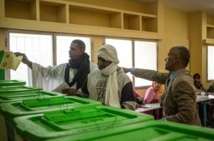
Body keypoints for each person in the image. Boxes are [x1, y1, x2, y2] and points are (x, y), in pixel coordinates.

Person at [123, 46, 201, 126]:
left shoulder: (181, 82)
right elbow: (154, 75)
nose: (165, 59)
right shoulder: (175, 76)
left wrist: (161, 122)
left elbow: (186, 115)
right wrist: (130, 70)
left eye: (168, 56)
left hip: (187, 131)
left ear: (175, 59)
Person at [70, 44, 136, 110]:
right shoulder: (91, 76)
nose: (100, 63)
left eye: (103, 60)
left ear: (112, 61)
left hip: (115, 118)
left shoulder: (123, 78)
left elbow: (130, 104)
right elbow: (82, 94)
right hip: (92, 114)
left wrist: (115, 112)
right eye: (99, 60)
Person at [15, 39, 97, 92]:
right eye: (69, 49)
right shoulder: (64, 67)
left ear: (81, 51)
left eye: (73, 49)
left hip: (84, 105)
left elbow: (95, 89)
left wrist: (78, 92)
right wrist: (28, 62)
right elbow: (46, 71)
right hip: (66, 103)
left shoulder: (92, 68)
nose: (69, 51)